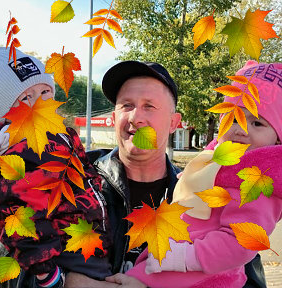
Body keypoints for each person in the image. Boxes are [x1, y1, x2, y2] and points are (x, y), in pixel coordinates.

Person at [65, 60, 267, 288]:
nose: (135, 117)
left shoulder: (207, 191)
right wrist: (65, 281)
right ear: (113, 118)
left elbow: (246, 280)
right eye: (127, 105)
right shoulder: (73, 183)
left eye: (149, 106)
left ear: (174, 122)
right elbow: (30, 264)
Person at [126, 61, 282, 288]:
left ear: (277, 141)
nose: (241, 129)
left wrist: (183, 257)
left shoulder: (256, 181)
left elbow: (242, 243)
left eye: (257, 123)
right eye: (234, 118)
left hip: (199, 276)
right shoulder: (214, 164)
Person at [0, 48, 111, 288]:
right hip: (63, 252)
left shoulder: (57, 136)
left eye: (45, 91)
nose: (39, 101)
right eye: (25, 98)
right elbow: (23, 211)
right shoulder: (25, 147)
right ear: (4, 114)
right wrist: (45, 271)